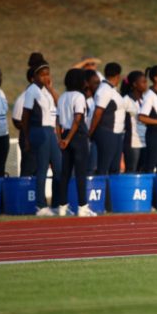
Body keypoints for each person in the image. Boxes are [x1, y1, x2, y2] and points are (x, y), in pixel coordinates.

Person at [22, 58, 62, 216]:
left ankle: (57, 204)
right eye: (42, 74)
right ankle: (41, 205)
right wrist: (27, 138)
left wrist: (51, 89)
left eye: (48, 74)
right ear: (35, 76)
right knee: (42, 169)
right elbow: (26, 115)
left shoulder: (47, 91)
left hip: (51, 131)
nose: (46, 77)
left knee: (59, 168)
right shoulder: (32, 90)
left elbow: (59, 104)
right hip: (39, 130)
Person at [57, 69, 96, 217]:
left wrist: (61, 139)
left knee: (65, 173)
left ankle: (62, 207)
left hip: (65, 134)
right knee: (80, 173)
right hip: (77, 136)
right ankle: (82, 207)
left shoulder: (62, 97)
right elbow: (78, 118)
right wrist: (68, 139)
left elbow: (57, 120)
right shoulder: (79, 96)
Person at [88, 62, 125, 175]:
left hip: (116, 133)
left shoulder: (111, 89)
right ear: (118, 76)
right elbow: (98, 113)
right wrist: (90, 132)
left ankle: (111, 187)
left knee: (114, 168)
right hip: (107, 132)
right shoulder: (104, 90)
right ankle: (102, 186)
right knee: (104, 167)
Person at [120, 71, 148, 173]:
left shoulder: (146, 99)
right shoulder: (126, 100)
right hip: (132, 142)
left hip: (145, 140)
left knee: (143, 170)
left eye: (146, 82)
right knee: (131, 170)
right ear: (135, 84)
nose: (146, 85)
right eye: (143, 82)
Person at [12, 68, 37, 176]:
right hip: (29, 138)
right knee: (29, 169)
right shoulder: (24, 97)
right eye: (42, 75)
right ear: (33, 79)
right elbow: (17, 121)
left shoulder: (45, 95)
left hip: (44, 138)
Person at [84, 70, 100, 174]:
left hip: (94, 139)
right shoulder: (83, 100)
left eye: (99, 83)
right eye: (95, 83)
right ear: (86, 83)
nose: (98, 86)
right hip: (86, 139)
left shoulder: (96, 100)